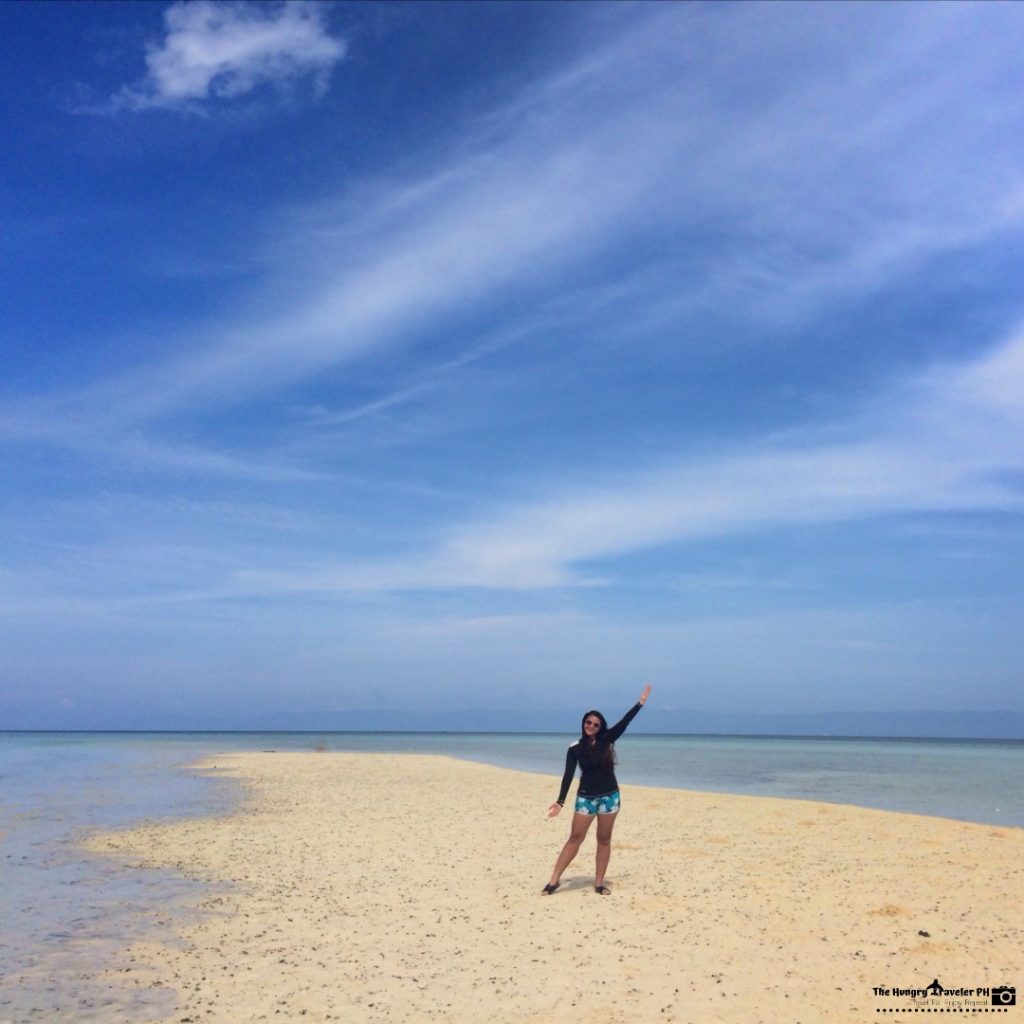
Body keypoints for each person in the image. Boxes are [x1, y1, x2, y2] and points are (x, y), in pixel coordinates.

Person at [542, 684, 651, 896]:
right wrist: (560, 801)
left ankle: (599, 883)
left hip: (610, 797)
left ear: (601, 727)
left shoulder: (607, 740)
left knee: (604, 839)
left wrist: (640, 703)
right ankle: (554, 880)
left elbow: (625, 722)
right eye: (588, 722)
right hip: (586, 799)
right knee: (575, 838)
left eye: (595, 724)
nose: (591, 726)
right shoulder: (574, 748)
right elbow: (568, 775)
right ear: (583, 723)